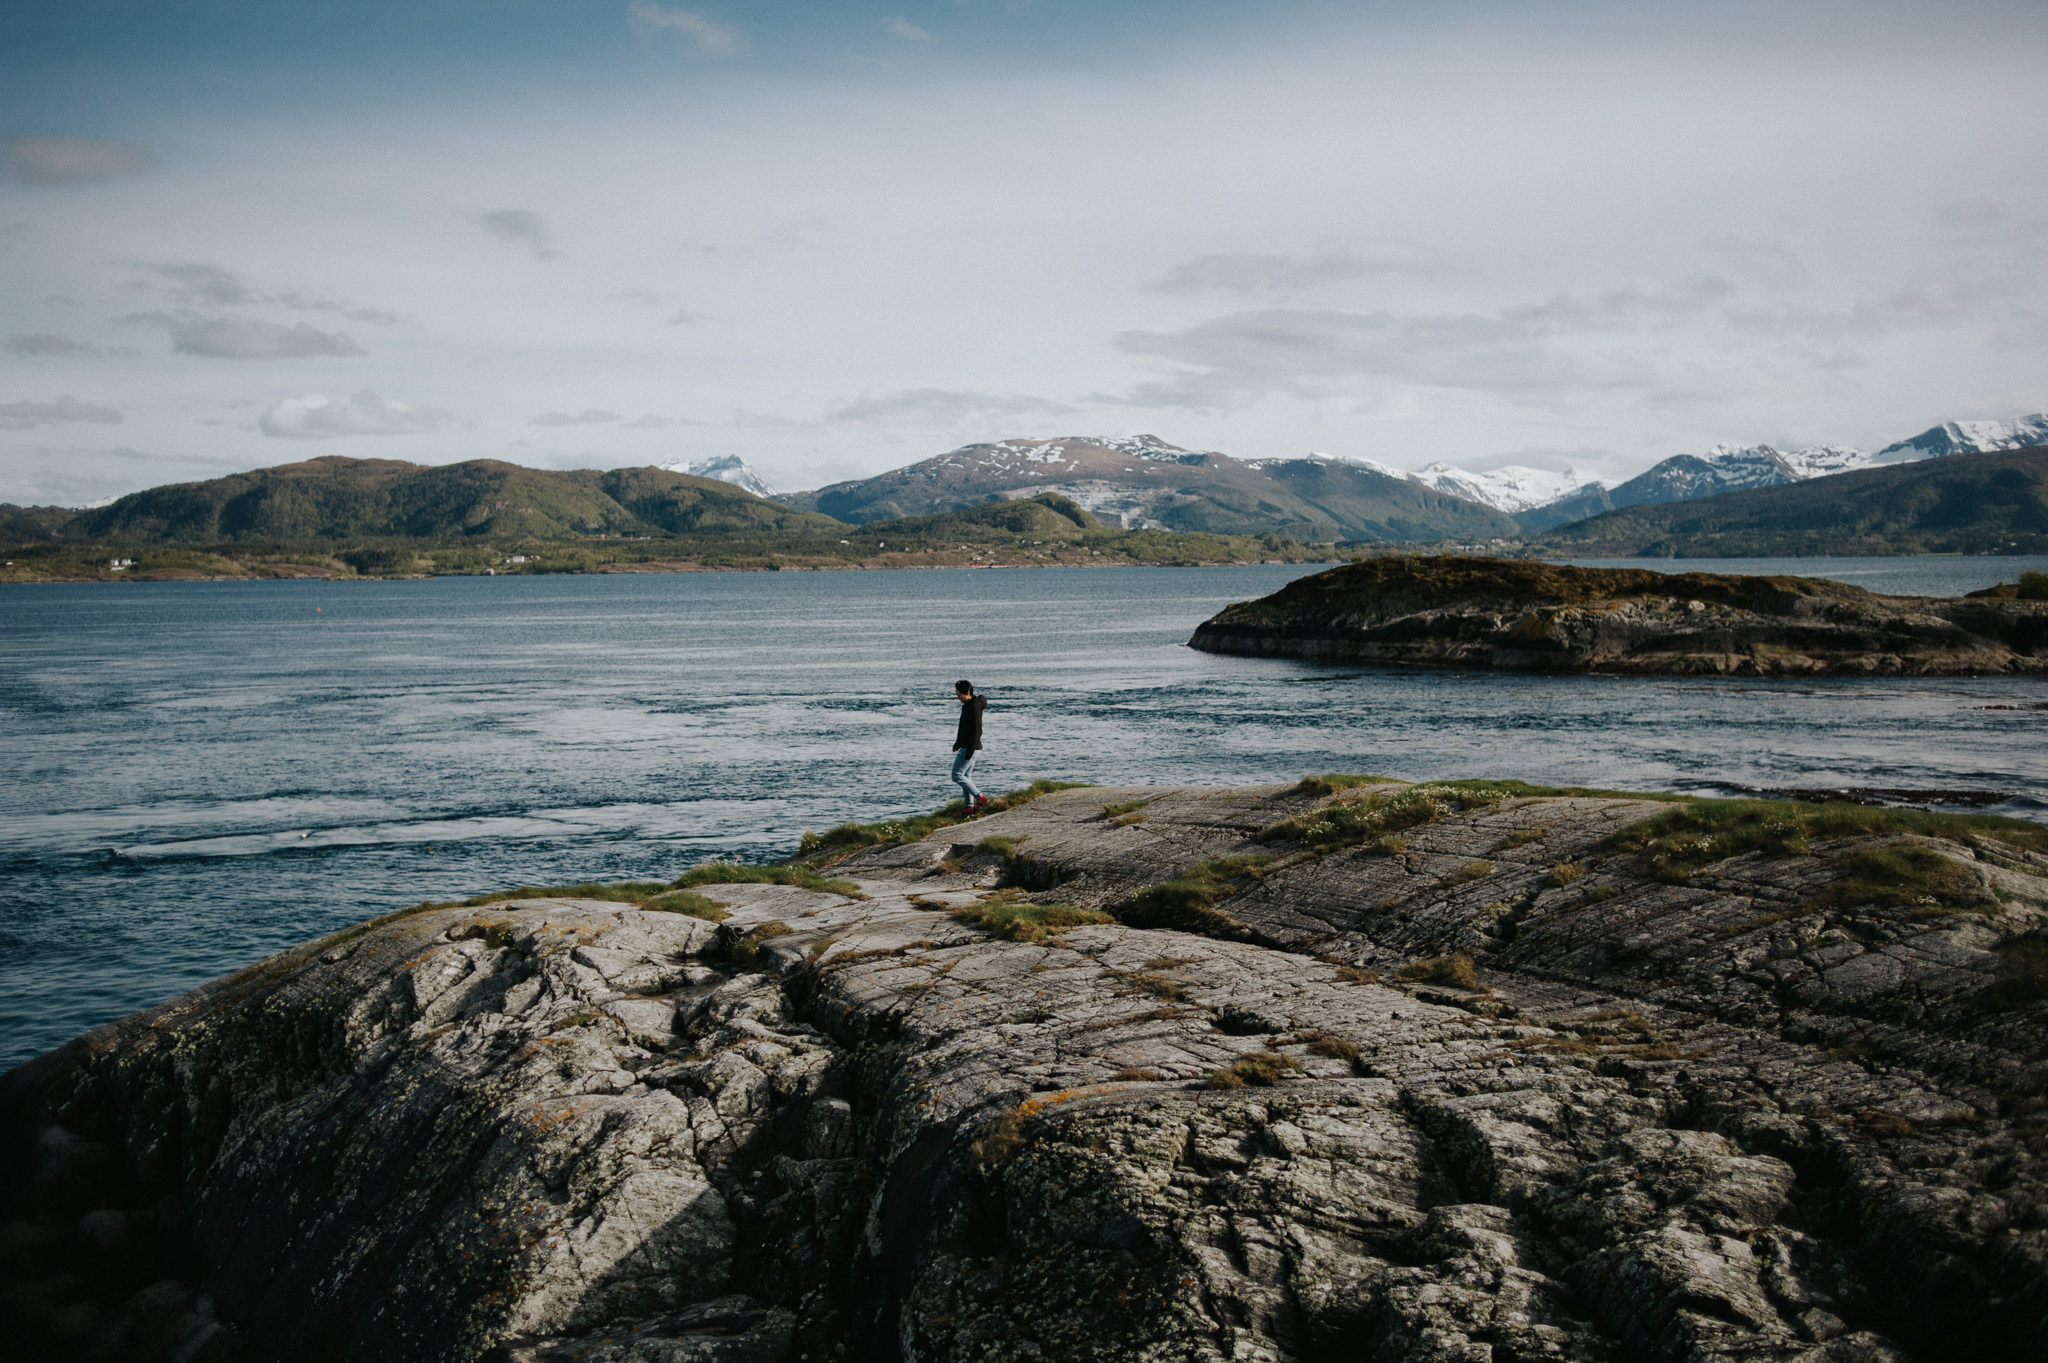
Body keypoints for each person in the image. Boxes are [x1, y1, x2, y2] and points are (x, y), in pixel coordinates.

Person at [951, 679, 990, 811]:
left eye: (959, 695)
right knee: (966, 777)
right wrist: (958, 743)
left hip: (970, 747)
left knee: (957, 775)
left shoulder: (974, 707)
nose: (958, 698)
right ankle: (969, 806)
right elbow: (964, 728)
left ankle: (980, 797)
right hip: (969, 746)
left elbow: (977, 730)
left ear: (967, 692)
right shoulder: (970, 705)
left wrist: (970, 750)